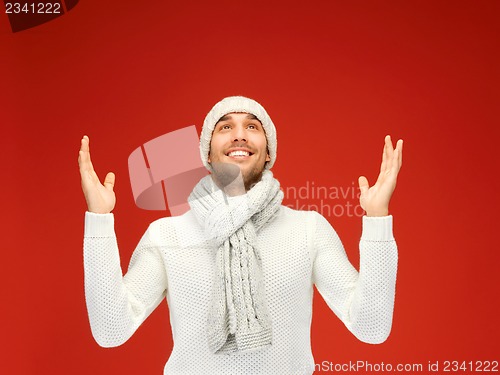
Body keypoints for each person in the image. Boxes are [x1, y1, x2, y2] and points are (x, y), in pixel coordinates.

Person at [79, 96, 403, 375]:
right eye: (225, 127)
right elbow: (111, 330)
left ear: (268, 153)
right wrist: (99, 219)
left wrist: (377, 218)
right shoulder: (167, 234)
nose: (238, 136)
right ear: (207, 153)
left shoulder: (308, 230)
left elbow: (371, 328)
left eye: (252, 126)